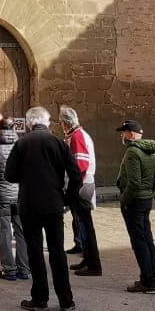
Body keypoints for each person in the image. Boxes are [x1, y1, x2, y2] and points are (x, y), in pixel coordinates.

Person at [4, 105, 82, 311]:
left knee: (35, 251)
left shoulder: (22, 144)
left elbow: (9, 175)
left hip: (29, 205)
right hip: (54, 204)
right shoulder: (58, 143)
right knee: (57, 252)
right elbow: (76, 175)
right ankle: (66, 300)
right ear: (47, 123)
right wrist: (67, 198)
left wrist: (27, 176)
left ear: (29, 124)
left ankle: (40, 299)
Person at [115, 119, 155, 293]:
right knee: (147, 240)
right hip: (146, 200)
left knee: (139, 242)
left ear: (132, 135)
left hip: (135, 202)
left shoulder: (133, 152)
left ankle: (147, 280)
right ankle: (152, 278)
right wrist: (148, 193)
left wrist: (124, 201)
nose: (122, 135)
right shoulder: (149, 151)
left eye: (124, 132)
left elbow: (133, 182)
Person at [0, 118, 29, 281]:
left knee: (4, 233)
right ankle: (24, 268)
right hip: (20, 196)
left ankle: (9, 269)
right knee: (21, 232)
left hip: (1, 195)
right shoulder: (22, 146)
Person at [60, 106, 101, 277]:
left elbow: (81, 165)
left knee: (85, 225)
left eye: (61, 121)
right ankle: (87, 260)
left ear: (65, 123)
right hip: (82, 184)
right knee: (81, 224)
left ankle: (93, 264)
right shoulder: (76, 135)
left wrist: (72, 189)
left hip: (82, 186)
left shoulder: (77, 136)